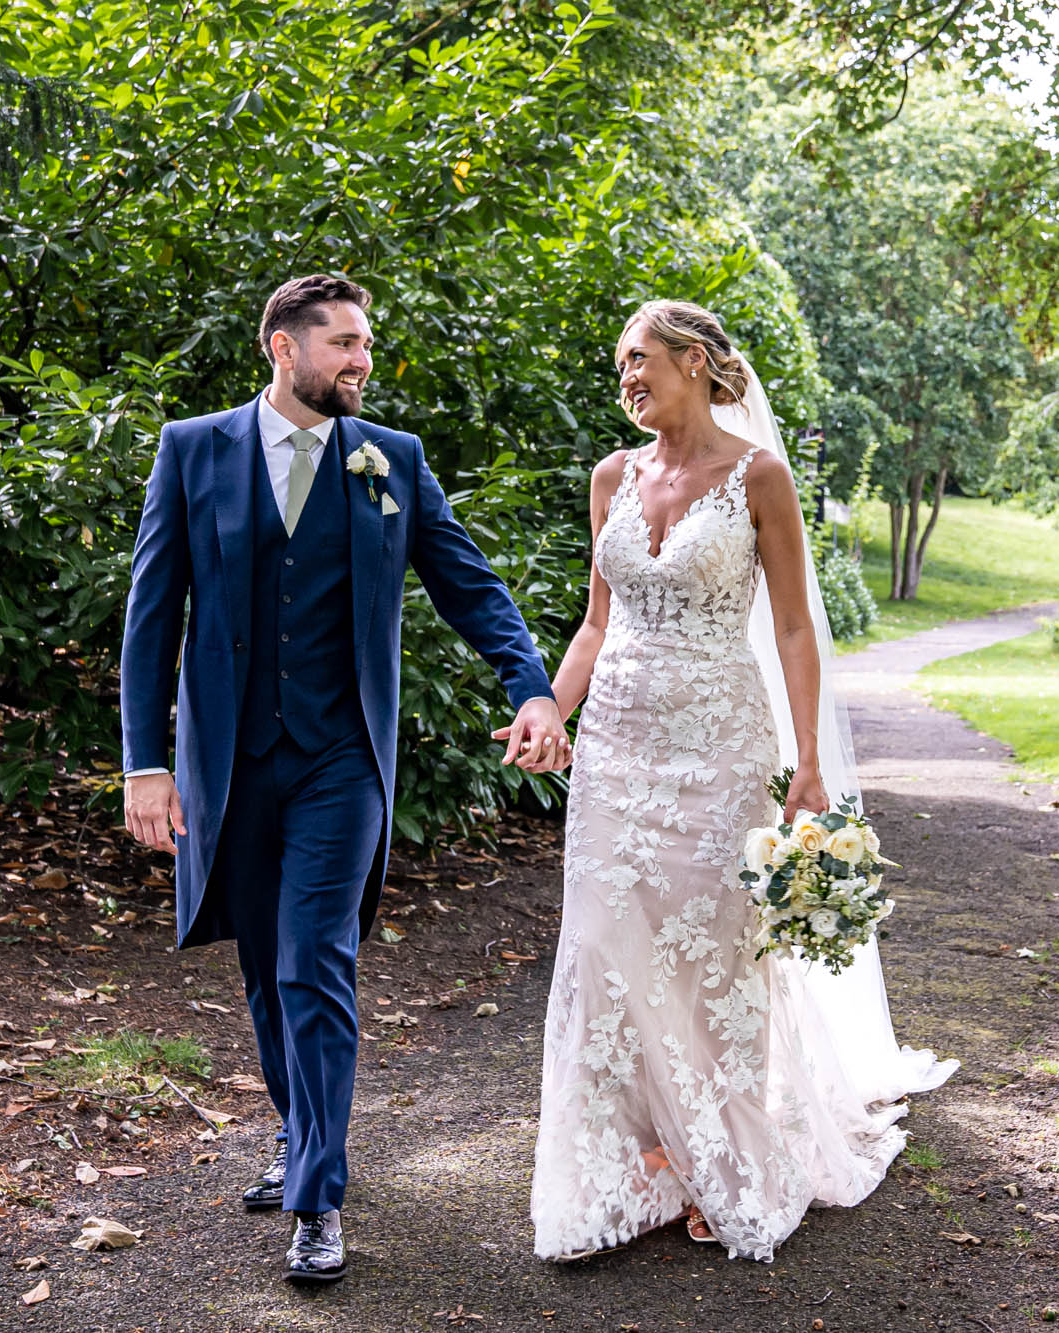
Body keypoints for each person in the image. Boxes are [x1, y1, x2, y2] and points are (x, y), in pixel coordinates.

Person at [119, 274, 568, 1283]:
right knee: (262, 968)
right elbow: (151, 617)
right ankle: (298, 1137)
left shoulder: (390, 461)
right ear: (284, 349)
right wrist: (145, 764)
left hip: (341, 759)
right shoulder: (193, 450)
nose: (362, 360)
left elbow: (469, 585)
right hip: (227, 763)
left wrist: (531, 686)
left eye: (365, 344)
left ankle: (318, 1196)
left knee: (313, 958)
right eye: (346, 344)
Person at [528, 300, 956, 1263]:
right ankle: (637, 1153)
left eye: (640, 360)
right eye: (621, 367)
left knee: (716, 950)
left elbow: (796, 627)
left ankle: (716, 1151)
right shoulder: (612, 476)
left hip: (720, 746)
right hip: (619, 747)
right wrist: (551, 706)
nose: (628, 379)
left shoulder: (760, 475)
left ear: (695, 362)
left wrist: (807, 759)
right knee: (605, 945)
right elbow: (596, 624)